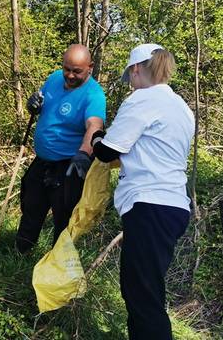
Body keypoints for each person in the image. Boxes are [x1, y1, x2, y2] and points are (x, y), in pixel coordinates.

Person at [91, 44, 194, 340]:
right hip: (173, 205)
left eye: (129, 76)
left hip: (151, 204)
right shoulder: (181, 106)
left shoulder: (142, 100)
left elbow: (109, 150)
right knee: (146, 289)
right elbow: (151, 150)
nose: (130, 83)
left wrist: (96, 137)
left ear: (136, 69)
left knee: (143, 296)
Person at [15, 44, 106, 253]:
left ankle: (58, 266)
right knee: (31, 206)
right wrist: (33, 105)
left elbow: (94, 125)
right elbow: (41, 103)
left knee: (63, 218)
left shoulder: (94, 95)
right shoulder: (55, 78)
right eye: (67, 69)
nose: (70, 75)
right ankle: (21, 253)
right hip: (43, 160)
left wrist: (84, 152)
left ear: (90, 67)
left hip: (69, 165)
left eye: (77, 71)